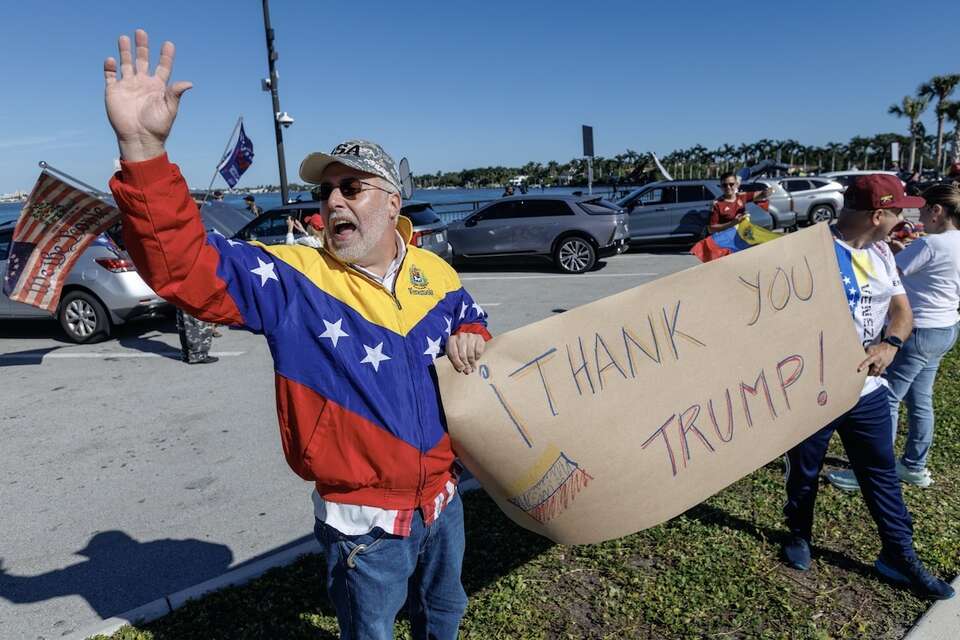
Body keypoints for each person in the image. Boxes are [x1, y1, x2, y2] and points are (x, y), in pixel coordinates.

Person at [104, 30, 490, 638]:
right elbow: (182, 265)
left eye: (351, 187)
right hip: (362, 528)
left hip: (445, 503)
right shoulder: (294, 278)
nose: (332, 199)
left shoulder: (436, 272)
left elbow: (473, 319)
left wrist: (471, 329)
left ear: (392, 204)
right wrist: (142, 149)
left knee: (443, 614)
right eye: (325, 190)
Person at [781, 175, 954, 600]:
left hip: (868, 391)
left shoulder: (880, 252)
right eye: (899, 211)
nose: (906, 217)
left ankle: (898, 555)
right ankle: (798, 535)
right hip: (814, 391)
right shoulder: (811, 251)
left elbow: (901, 310)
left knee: (880, 474)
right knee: (804, 472)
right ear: (878, 215)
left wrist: (891, 344)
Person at [828, 183, 960, 491]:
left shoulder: (930, 245)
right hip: (946, 327)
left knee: (885, 397)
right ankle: (915, 464)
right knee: (921, 399)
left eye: (923, 210)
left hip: (918, 330)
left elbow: (886, 275)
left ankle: (872, 470)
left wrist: (900, 250)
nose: (913, 216)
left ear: (937, 212)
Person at [708, 172, 774, 233]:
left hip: (743, 235)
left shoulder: (742, 196)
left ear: (736, 185)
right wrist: (732, 223)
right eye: (725, 185)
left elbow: (762, 194)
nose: (728, 187)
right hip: (727, 240)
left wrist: (767, 192)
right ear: (721, 187)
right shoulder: (716, 204)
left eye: (731, 184)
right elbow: (711, 228)